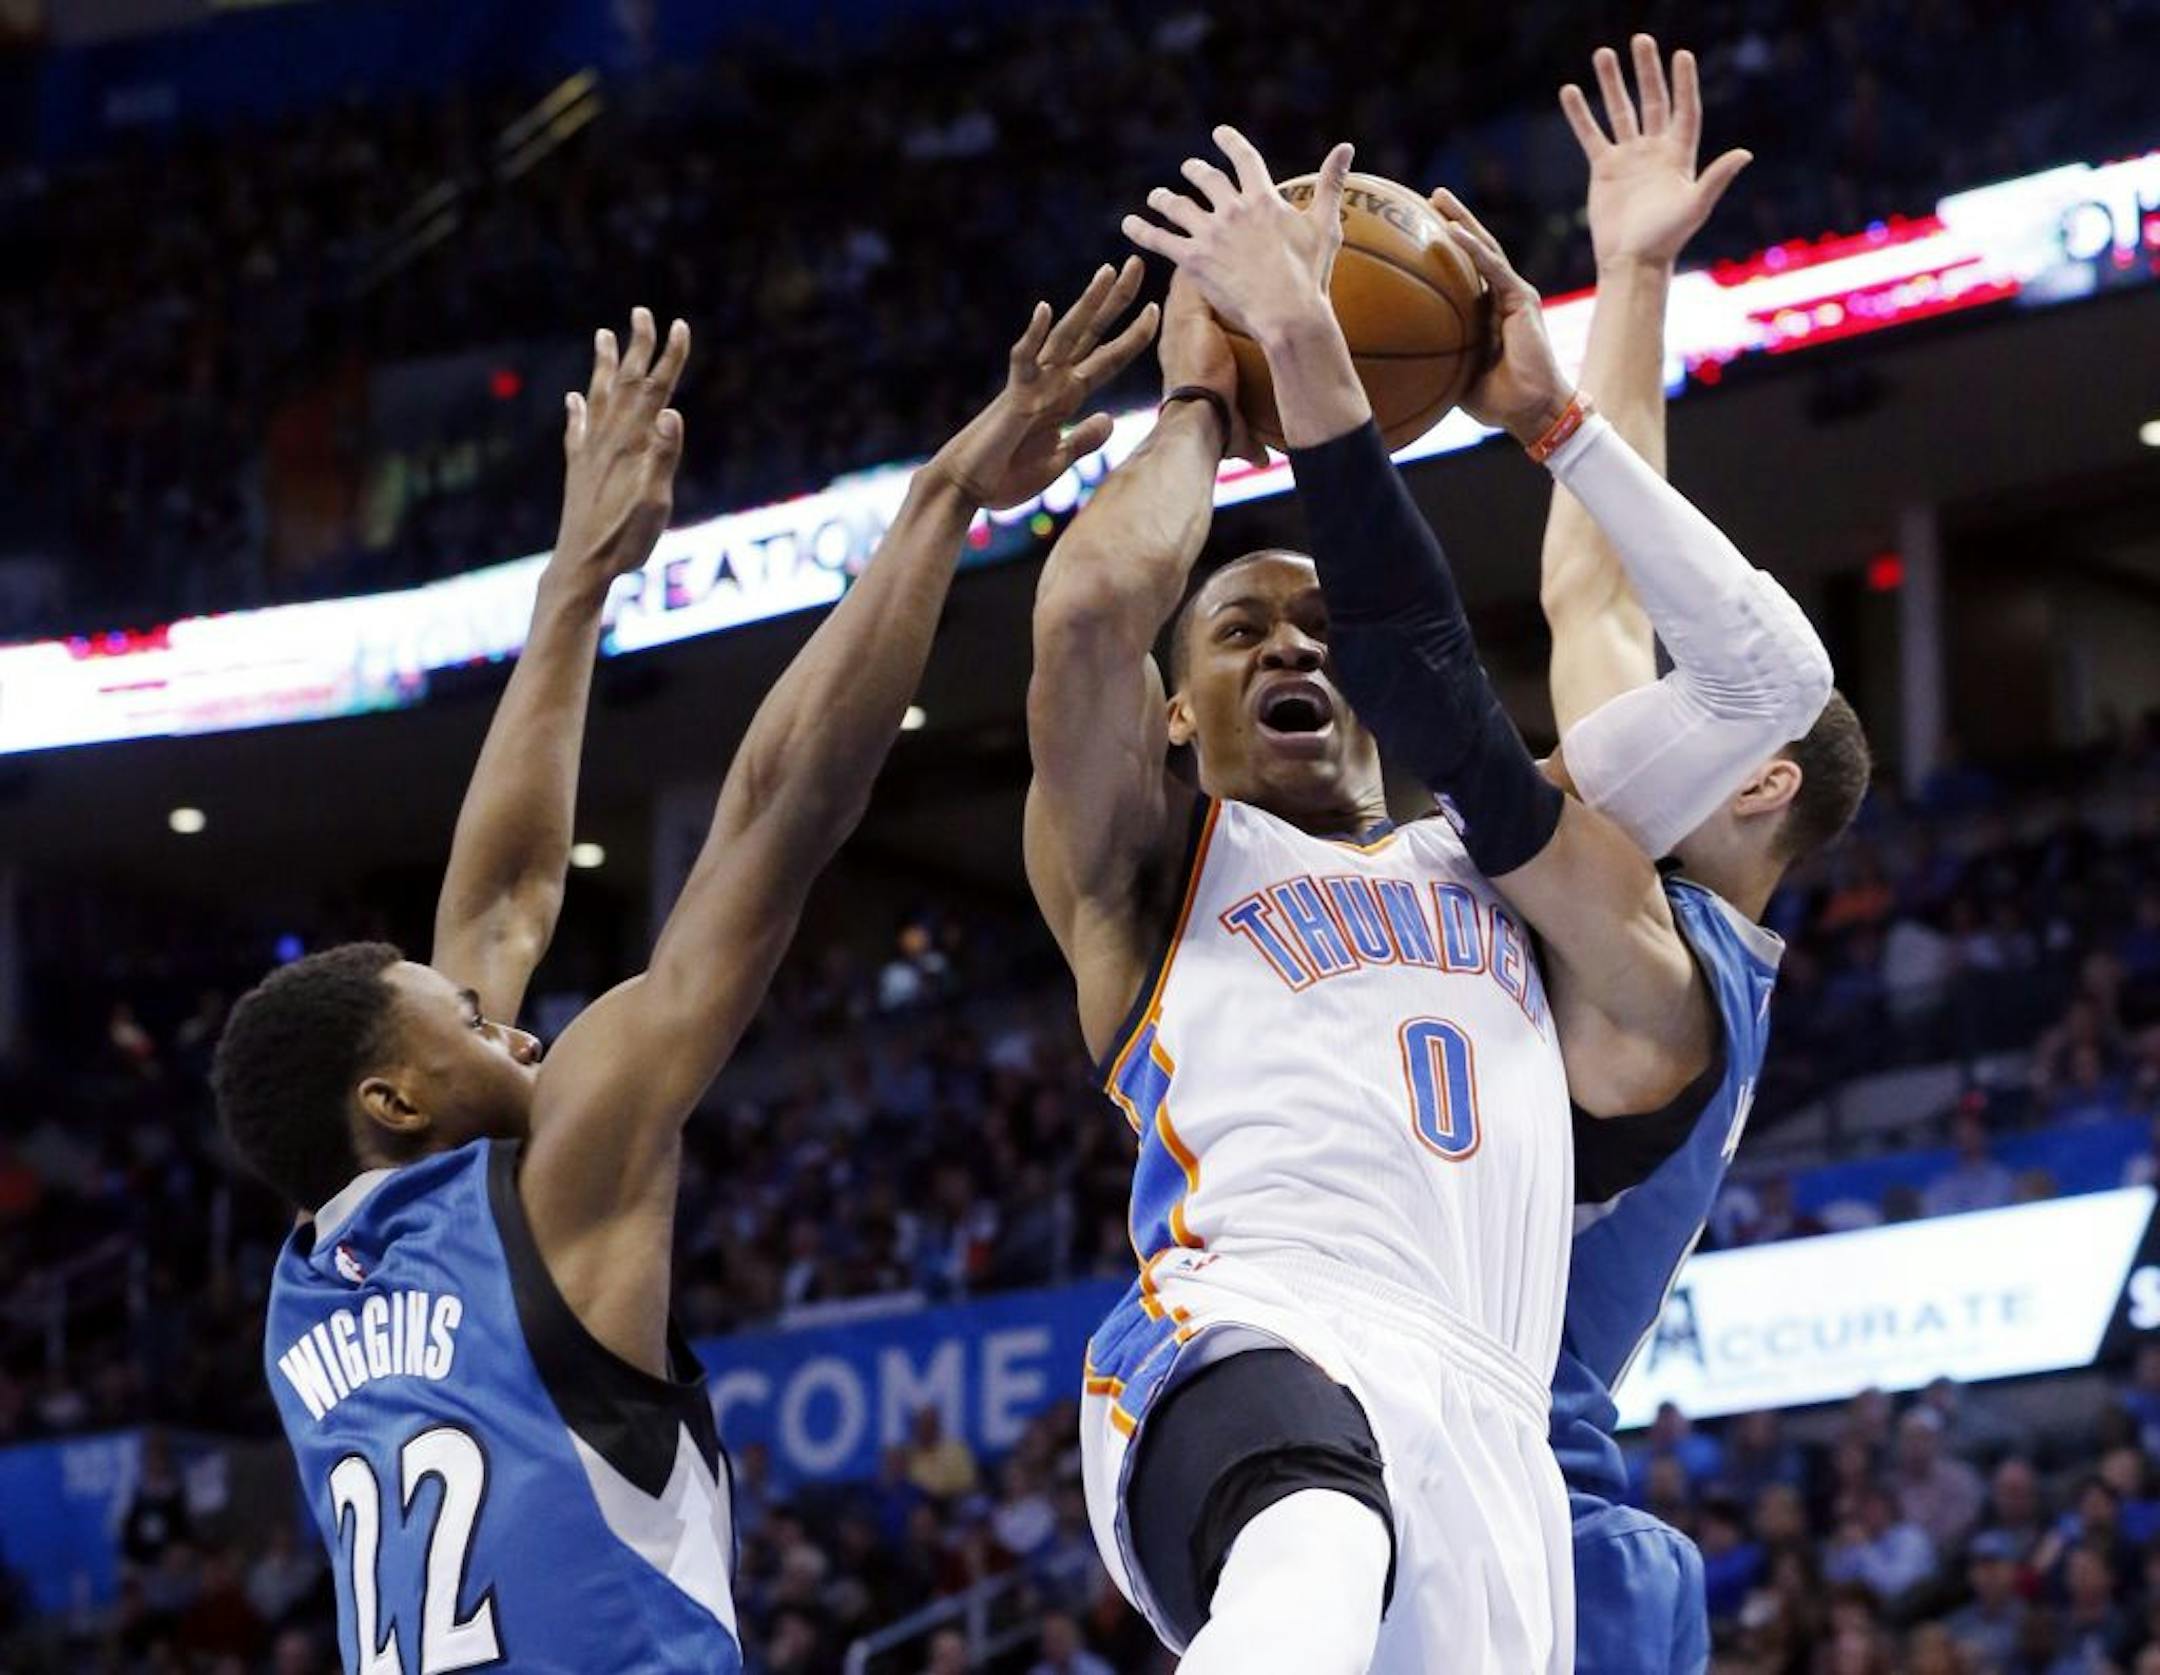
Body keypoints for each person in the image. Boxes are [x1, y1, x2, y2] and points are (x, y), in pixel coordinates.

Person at [217, 274, 1158, 1675]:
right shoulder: (563, 1169)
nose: (523, 1035)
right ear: (397, 1101)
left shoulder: (312, 1292)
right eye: (476, 1028)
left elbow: (499, 903)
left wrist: (576, 588)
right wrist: (945, 494)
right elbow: (776, 817)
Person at [1035, 70, 1827, 1675]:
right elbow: (1081, 622)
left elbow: (1739, 670)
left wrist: (1593, 355)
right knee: (1311, 1544)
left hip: (1492, 1434)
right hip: (1249, 1321)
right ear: (1179, 713)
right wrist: (1200, 399)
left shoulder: (1514, 847)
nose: (1291, 644)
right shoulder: (1157, 866)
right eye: (1242, 629)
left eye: (1322, 623)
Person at [1440, 37, 1868, 1673]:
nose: (1631, 718)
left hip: (1537, 1492)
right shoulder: (1659, 845)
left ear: (1758, 779)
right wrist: (1630, 274)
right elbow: (1593, 588)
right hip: (1432, 1422)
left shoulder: (1691, 953)